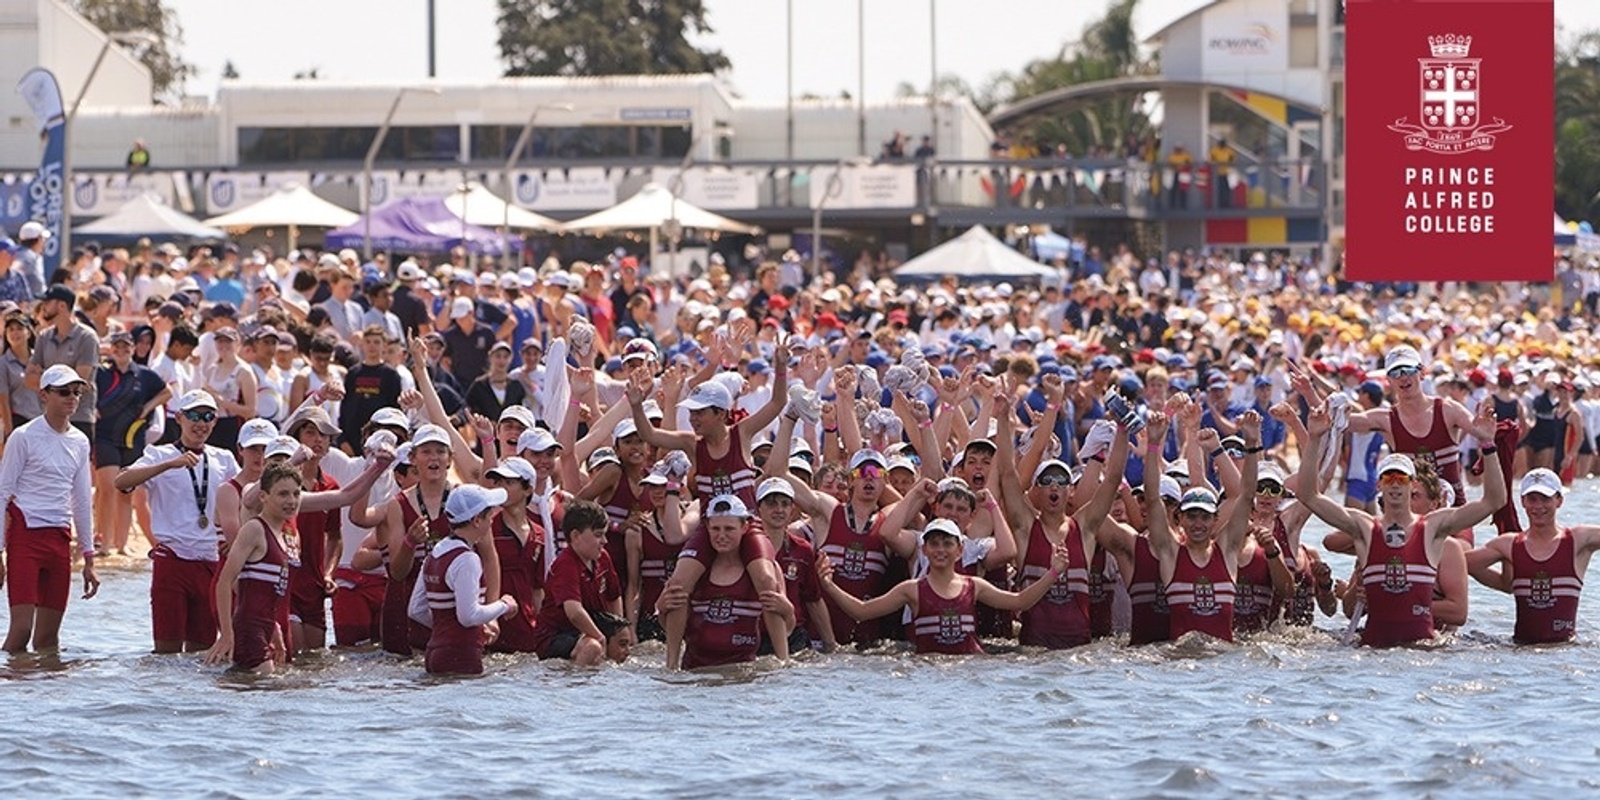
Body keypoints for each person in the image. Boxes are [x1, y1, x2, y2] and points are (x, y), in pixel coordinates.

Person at [1294, 400, 1503, 647]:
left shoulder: (1434, 528)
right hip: (1373, 654)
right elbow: (1308, 495)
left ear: (1412, 484)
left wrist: (1488, 445)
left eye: (1401, 478)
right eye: (1389, 477)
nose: (1395, 483)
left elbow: (1494, 501)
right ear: (1379, 484)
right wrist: (1316, 438)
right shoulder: (1365, 528)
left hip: (1422, 653)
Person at [818, 519, 1070, 655]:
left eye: (947, 543)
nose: (940, 550)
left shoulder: (974, 586)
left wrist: (1054, 572)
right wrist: (828, 586)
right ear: (924, 550)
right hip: (928, 672)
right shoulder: (911, 589)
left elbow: (1020, 602)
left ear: (960, 550)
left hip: (970, 670)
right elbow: (862, 611)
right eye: (934, 543)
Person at [115, 390, 242, 653]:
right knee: (166, 654)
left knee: (201, 655)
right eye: (194, 416)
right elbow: (121, 482)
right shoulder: (159, 454)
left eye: (208, 416)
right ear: (179, 418)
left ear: (215, 421)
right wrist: (169, 465)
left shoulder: (224, 458)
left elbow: (247, 497)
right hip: (172, 561)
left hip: (210, 562)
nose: (201, 423)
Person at [1141, 405, 1263, 643]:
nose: (1198, 523)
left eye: (1205, 517)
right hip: (1181, 666)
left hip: (1224, 668)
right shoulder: (1170, 552)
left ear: (1215, 520)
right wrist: (1154, 444)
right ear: (1180, 519)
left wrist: (1251, 441)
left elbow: (1247, 495)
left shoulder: (1227, 550)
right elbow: (1153, 498)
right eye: (1192, 516)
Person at [0, 365, 99, 652]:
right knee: (21, 630)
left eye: (76, 392)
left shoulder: (80, 441)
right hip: (25, 537)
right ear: (44, 395)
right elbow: (3, 493)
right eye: (64, 392)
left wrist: (89, 558)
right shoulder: (23, 436)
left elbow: (82, 500)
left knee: (48, 639)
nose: (72, 397)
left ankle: (48, 696)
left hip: (59, 540)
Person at [659, 494, 793, 669]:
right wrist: (662, 608)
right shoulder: (695, 572)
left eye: (729, 529)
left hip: (743, 671)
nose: (721, 536)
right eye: (716, 529)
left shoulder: (765, 572)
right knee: (676, 590)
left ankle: (785, 663)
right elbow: (667, 626)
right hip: (695, 670)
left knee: (769, 588)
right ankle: (671, 666)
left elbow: (788, 628)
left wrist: (788, 610)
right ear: (707, 527)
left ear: (744, 527)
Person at [1466, 468, 1600, 643]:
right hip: (1520, 651)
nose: (1538, 506)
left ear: (1559, 500)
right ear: (1523, 501)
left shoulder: (1579, 540)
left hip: (1565, 650)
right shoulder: (1508, 544)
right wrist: (1504, 584)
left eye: (1545, 499)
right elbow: (1460, 564)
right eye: (1532, 499)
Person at [408, 484, 518, 675]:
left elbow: (416, 609)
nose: (492, 522)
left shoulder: (436, 552)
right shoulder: (467, 559)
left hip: (434, 652)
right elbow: (468, 617)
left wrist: (447, 630)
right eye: (489, 516)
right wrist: (504, 605)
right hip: (460, 654)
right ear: (476, 520)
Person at [1346, 345, 1476, 506]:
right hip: (1412, 517)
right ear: (1389, 380)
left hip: (1455, 511)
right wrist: (1310, 395)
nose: (1403, 377)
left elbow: (1483, 432)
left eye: (1408, 370)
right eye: (1395, 373)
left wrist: (1488, 438)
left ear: (1422, 372)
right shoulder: (1385, 418)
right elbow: (1337, 421)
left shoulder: (1449, 410)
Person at [203, 462, 299, 673]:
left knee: (260, 693)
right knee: (265, 689)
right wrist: (227, 635)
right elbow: (225, 582)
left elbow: (267, 591)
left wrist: (274, 629)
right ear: (263, 496)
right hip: (248, 628)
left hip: (266, 627)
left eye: (295, 494)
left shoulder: (284, 535)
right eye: (283, 494)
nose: (291, 501)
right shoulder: (254, 529)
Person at [94, 330, 171, 555]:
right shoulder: (101, 373)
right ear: (111, 349)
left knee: (126, 491)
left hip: (132, 437)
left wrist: (148, 407)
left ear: (133, 348)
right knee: (107, 487)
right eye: (116, 347)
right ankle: (104, 542)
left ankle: (122, 544)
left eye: (125, 347)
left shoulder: (144, 375)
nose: (121, 351)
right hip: (105, 436)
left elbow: (167, 392)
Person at [530, 499, 632, 666]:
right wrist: (600, 637)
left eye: (604, 534)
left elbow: (614, 596)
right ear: (575, 536)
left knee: (620, 642)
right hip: (555, 635)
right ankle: (578, 689)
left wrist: (616, 631)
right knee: (593, 647)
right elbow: (574, 612)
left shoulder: (603, 557)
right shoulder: (565, 564)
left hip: (583, 628)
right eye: (598, 535)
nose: (605, 541)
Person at [29, 284, 100, 442]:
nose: (44, 307)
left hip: (79, 419)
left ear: (61, 306)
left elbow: (78, 383)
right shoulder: (43, 337)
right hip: (47, 420)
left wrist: (45, 377)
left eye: (47, 303)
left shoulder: (87, 337)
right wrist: (62, 379)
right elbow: (28, 378)